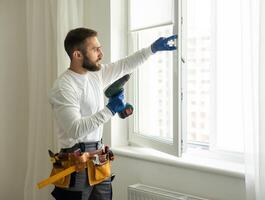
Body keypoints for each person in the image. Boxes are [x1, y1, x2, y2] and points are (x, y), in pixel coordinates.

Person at [48, 27, 177, 200]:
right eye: (95, 49)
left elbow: (125, 65)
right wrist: (110, 109)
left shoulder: (95, 75)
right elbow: (75, 130)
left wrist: (151, 49)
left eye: (99, 48)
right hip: (75, 162)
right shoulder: (64, 87)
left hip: (98, 158)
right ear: (77, 55)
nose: (101, 53)